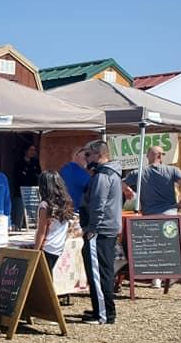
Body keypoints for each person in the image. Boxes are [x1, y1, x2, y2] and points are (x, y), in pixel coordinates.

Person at [80, 140, 122, 326]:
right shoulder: (112, 174)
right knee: (102, 271)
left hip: (101, 230)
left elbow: (98, 204)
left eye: (88, 154)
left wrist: (92, 228)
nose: (86, 158)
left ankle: (104, 314)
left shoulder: (103, 176)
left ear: (99, 154)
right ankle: (100, 308)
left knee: (99, 273)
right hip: (107, 229)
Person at [122, 146, 181, 215]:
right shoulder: (173, 170)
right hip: (170, 214)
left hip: (149, 215)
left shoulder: (138, 173)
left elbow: (120, 185)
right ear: (160, 156)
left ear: (147, 156)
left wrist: (127, 191)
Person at [33, 170, 74, 272]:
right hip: (58, 246)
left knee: (43, 277)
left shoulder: (45, 205)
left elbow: (42, 232)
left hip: (47, 246)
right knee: (47, 275)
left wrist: (35, 251)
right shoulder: (64, 203)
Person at [11, 144, 42, 228]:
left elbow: (39, 175)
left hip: (33, 192)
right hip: (20, 192)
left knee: (32, 213)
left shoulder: (35, 162)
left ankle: (32, 228)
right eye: (31, 150)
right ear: (26, 151)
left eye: (34, 150)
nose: (33, 152)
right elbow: (17, 177)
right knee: (20, 212)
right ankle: (18, 227)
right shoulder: (19, 163)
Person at [59, 147, 92, 211]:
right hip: (78, 213)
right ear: (76, 155)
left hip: (65, 212)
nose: (87, 160)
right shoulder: (82, 174)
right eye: (85, 156)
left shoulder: (63, 170)